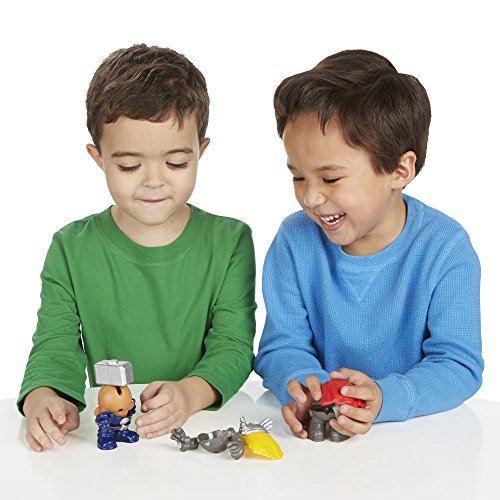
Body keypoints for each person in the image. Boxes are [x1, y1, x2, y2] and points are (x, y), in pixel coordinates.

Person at [17, 44, 256, 452]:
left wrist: (190, 394)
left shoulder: (230, 241)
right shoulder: (70, 248)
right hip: (112, 445)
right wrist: (44, 395)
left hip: (198, 435)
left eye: (176, 162)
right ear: (99, 157)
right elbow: (55, 342)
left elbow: (233, 345)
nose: (153, 181)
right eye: (129, 165)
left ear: (201, 151)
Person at [254, 49, 483, 440]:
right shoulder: (294, 241)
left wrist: (385, 397)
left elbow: (458, 365)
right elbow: (281, 346)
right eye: (298, 176)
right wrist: (305, 388)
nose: (310, 198)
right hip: (318, 445)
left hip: (415, 441)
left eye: (330, 178)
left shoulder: (446, 249)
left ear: (399, 170)